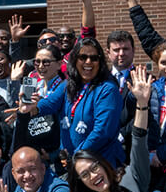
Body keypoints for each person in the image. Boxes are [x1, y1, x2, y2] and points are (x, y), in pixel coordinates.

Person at [15, 37, 125, 170]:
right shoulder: (69, 84)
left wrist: (76, 157)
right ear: (75, 60)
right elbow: (50, 103)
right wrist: (34, 107)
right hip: (74, 164)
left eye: (94, 58)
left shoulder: (107, 89)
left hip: (99, 164)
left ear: (100, 61)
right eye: (82, 57)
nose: (88, 62)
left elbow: (102, 132)